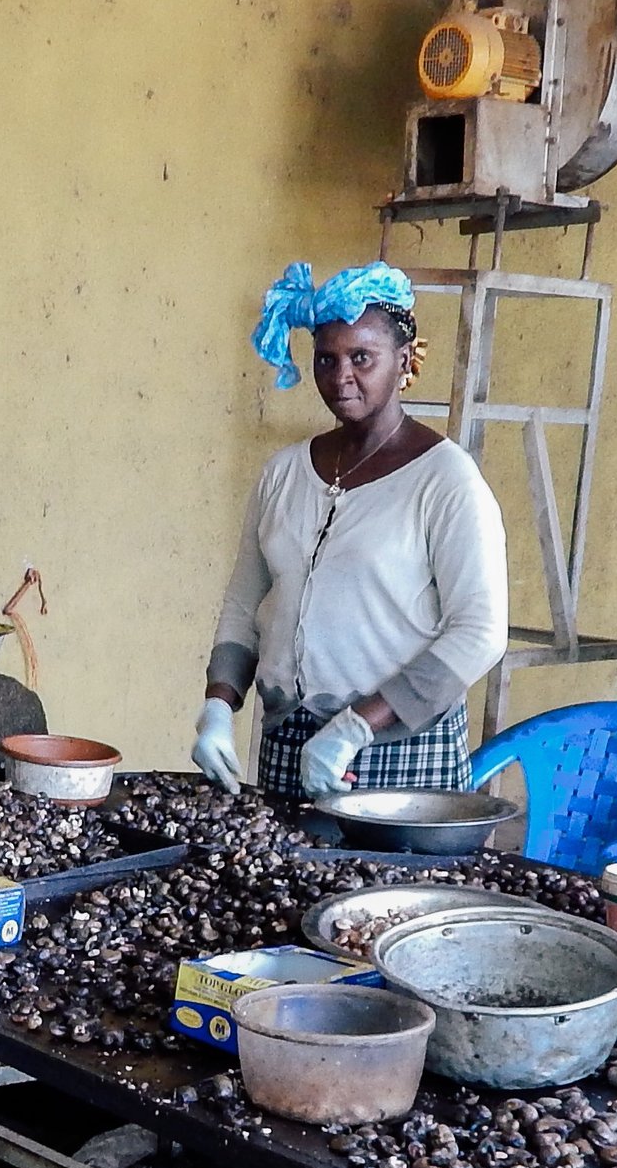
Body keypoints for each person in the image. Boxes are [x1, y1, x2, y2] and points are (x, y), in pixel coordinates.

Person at [193, 261, 507, 802]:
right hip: (289, 743)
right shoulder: (285, 474)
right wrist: (219, 705)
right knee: (292, 885)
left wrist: (356, 726)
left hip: (400, 751)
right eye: (327, 359)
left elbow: (479, 633)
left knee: (391, 887)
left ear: (404, 361)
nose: (342, 376)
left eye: (362, 357)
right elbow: (245, 607)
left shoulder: (445, 479)